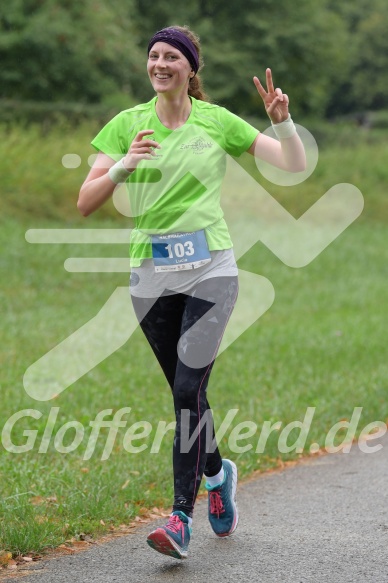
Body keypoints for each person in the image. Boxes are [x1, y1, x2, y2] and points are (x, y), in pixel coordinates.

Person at [78, 25, 306, 560]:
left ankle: (180, 518)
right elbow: (86, 201)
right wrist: (124, 165)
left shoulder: (216, 121)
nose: (160, 64)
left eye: (171, 57)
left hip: (212, 270)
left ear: (190, 68)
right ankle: (217, 471)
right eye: (153, 56)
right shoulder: (126, 125)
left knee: (186, 391)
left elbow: (293, 166)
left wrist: (284, 123)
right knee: (190, 395)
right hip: (150, 275)